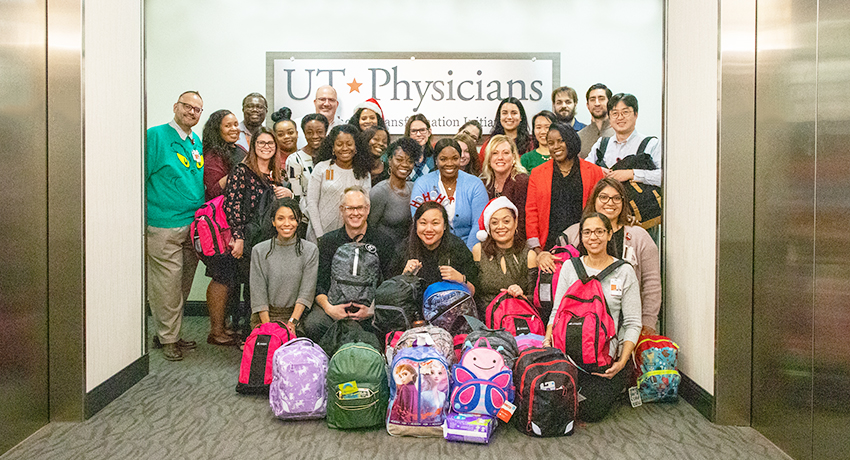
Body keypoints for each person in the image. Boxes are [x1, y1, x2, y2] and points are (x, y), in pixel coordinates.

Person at [543, 212, 641, 422]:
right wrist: (548, 341)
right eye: (587, 232)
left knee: (590, 411)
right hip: (569, 355)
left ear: (609, 234)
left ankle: (619, 382)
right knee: (551, 401)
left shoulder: (624, 271)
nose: (593, 237)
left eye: (599, 232)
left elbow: (633, 323)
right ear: (581, 236)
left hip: (605, 360)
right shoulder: (570, 267)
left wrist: (622, 361)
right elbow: (557, 311)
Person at [145, 91, 206, 361]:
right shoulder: (155, 136)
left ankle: (169, 333)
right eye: (187, 106)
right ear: (175, 106)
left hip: (192, 225)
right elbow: (140, 177)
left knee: (182, 285)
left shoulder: (195, 140)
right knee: (166, 286)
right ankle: (168, 339)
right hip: (163, 225)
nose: (191, 112)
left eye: (197, 109)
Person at [558, 178, 661, 335]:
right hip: (581, 328)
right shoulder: (573, 234)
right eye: (604, 197)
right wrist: (543, 256)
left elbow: (651, 284)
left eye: (616, 198)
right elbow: (560, 274)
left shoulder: (639, 237)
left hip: (626, 327)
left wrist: (648, 323)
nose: (610, 202)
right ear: (594, 200)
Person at [222, 128, 292, 342]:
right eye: (261, 143)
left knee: (269, 284)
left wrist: (288, 193)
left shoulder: (278, 173)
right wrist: (239, 237)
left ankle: (269, 331)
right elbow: (232, 205)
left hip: (274, 238)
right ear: (253, 147)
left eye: (270, 143)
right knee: (252, 286)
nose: (266, 147)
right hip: (250, 237)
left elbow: (286, 207)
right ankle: (248, 335)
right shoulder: (241, 171)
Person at [303, 186, 396, 341]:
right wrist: (329, 309)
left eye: (359, 208)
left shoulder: (384, 242)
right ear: (342, 210)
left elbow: (389, 284)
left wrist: (372, 310)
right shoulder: (328, 242)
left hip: (369, 312)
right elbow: (319, 283)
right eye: (350, 208)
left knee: (387, 324)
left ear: (367, 209)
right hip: (335, 309)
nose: (355, 213)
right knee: (313, 324)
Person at [526, 122, 604, 262]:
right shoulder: (537, 174)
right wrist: (538, 250)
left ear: (571, 141)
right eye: (551, 143)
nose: (555, 146)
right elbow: (531, 212)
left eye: (560, 141)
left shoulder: (594, 172)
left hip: (585, 247)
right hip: (549, 249)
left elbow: (600, 210)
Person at [200, 109, 245, 346]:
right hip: (220, 226)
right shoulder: (213, 156)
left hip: (235, 223)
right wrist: (242, 169)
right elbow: (214, 189)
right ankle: (216, 331)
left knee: (230, 277)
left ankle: (225, 326)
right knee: (221, 277)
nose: (234, 129)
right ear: (217, 128)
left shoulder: (238, 150)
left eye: (236, 124)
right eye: (228, 125)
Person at [249, 198, 318, 331]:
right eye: (280, 219)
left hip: (297, 317)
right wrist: (269, 327)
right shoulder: (259, 250)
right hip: (265, 317)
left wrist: (292, 323)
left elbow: (306, 292)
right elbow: (258, 294)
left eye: (292, 218)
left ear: (298, 221)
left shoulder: (310, 250)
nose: (287, 223)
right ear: (273, 222)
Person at [410, 138, 489, 250]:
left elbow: (479, 224)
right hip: (430, 248)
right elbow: (418, 221)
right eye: (443, 159)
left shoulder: (475, 184)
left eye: (455, 158)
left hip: (467, 249)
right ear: (436, 160)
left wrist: (467, 254)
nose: (449, 163)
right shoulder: (422, 183)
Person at [471, 197, 538, 316]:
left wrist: (521, 295)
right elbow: (474, 294)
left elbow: (535, 300)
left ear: (515, 223)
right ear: (488, 226)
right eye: (494, 222)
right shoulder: (478, 251)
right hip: (484, 319)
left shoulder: (529, 255)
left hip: (517, 318)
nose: (500, 226)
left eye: (506, 221)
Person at [305, 124, 372, 241]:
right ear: (333, 147)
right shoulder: (321, 168)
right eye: (339, 144)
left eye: (349, 144)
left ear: (356, 146)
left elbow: (364, 207)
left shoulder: (363, 173)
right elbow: (311, 204)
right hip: (318, 235)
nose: (344, 148)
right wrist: (320, 236)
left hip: (350, 237)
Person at [586, 93, 662, 189]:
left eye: (625, 112)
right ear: (609, 118)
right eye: (615, 113)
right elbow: (585, 170)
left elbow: (664, 176)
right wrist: (598, 171)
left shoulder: (651, 144)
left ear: (636, 115)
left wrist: (632, 174)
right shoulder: (601, 144)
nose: (620, 117)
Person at [399, 201, 478, 293]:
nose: (429, 229)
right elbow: (391, 294)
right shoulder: (404, 248)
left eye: (435, 223)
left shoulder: (457, 247)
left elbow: (475, 292)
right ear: (416, 225)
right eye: (423, 223)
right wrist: (404, 277)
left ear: (444, 226)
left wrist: (461, 279)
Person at [369, 137, 421, 242]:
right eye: (399, 160)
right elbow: (369, 229)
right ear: (390, 160)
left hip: (408, 249)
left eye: (410, 161)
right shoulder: (380, 192)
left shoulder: (415, 188)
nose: (405, 165)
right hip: (385, 249)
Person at [480, 135, 528, 241]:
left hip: (516, 240)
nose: (500, 157)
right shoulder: (484, 183)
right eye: (495, 153)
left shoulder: (522, 181)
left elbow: (522, 221)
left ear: (513, 157)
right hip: (489, 240)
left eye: (505, 153)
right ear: (489, 158)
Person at [286, 113, 328, 215]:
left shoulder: (332, 158)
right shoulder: (295, 159)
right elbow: (297, 196)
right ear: (304, 133)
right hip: (304, 216)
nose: (315, 136)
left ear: (326, 132)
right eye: (309, 132)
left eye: (319, 132)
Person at [478, 97, 533, 165]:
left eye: (514, 113)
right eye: (504, 113)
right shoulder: (489, 144)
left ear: (521, 117)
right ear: (499, 117)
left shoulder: (531, 145)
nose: (509, 117)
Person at [578, 83, 615, 158]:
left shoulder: (620, 134)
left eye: (601, 99)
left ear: (610, 103)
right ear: (588, 105)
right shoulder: (579, 137)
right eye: (592, 99)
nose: (597, 103)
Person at [406, 114, 436, 182]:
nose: (418, 134)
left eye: (422, 130)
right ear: (408, 134)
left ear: (429, 132)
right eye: (414, 131)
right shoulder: (402, 156)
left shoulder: (435, 157)